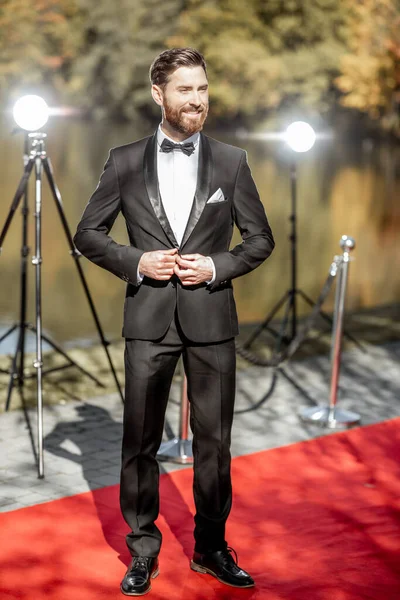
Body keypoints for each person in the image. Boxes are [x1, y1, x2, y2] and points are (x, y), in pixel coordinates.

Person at [73, 47, 275, 596]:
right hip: (148, 321)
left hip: (212, 320)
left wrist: (217, 266)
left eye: (203, 89)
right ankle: (142, 550)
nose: (197, 100)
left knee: (215, 442)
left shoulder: (232, 161)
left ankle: (212, 548)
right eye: (185, 90)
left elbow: (260, 240)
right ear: (159, 95)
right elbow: (87, 235)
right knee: (139, 442)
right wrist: (135, 260)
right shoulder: (123, 160)